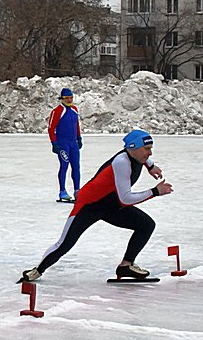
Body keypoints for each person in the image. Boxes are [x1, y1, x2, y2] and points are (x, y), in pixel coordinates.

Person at [20, 129, 173, 284]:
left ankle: (126, 266)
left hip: (111, 206)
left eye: (151, 148)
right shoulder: (122, 163)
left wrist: (151, 166)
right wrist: (155, 191)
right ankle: (37, 270)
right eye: (147, 149)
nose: (150, 153)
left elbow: (144, 160)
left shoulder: (137, 156)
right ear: (133, 147)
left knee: (146, 225)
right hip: (89, 206)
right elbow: (126, 199)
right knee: (65, 243)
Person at [48, 86, 83, 203]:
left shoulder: (74, 109)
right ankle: (62, 191)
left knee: (76, 167)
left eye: (71, 98)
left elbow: (77, 125)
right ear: (62, 99)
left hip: (73, 143)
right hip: (63, 143)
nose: (69, 100)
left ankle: (77, 191)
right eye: (67, 98)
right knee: (64, 166)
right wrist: (54, 143)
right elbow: (51, 128)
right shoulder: (57, 111)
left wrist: (79, 138)